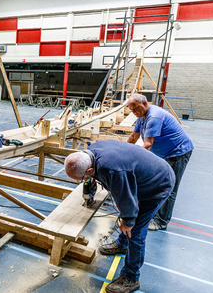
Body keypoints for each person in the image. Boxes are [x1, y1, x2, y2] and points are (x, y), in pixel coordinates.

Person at [65, 140, 175, 293]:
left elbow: (125, 198)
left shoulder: (112, 169)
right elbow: (121, 189)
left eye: (83, 178)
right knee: (128, 220)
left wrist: (128, 221)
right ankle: (122, 245)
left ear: (90, 169)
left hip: (158, 184)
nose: (84, 181)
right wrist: (90, 180)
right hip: (142, 176)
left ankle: (131, 278)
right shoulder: (92, 151)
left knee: (135, 230)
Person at [126, 93, 194, 231]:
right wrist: (122, 151)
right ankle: (155, 213)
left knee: (169, 186)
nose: (134, 112)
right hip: (164, 153)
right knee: (158, 183)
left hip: (178, 152)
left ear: (145, 104)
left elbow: (147, 145)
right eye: (131, 110)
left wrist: (130, 159)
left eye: (135, 109)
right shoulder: (141, 116)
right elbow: (134, 136)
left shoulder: (154, 117)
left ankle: (162, 221)